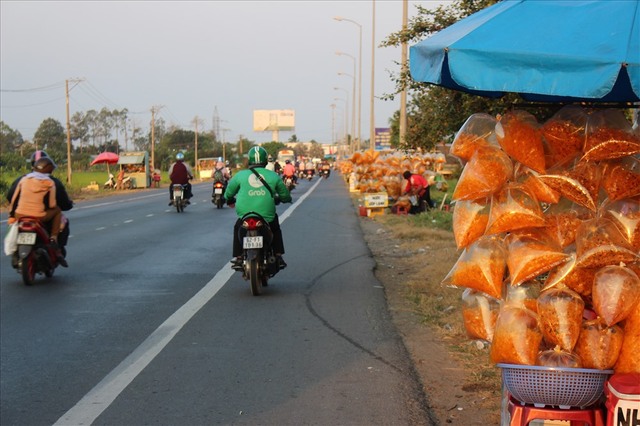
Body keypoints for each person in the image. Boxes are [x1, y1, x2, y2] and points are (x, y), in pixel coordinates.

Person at [224, 146, 292, 269]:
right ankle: (278, 255)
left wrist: (229, 200)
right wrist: (285, 199)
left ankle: (238, 257)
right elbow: (285, 195)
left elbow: (228, 193)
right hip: (267, 215)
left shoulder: (240, 175)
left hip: (245, 214)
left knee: (237, 227)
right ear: (266, 160)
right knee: (275, 228)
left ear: (249, 160)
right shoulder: (273, 176)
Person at [6, 150, 73, 259]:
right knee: (58, 213)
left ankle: (16, 250)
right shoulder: (52, 182)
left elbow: (11, 197)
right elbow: (57, 204)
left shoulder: (23, 179)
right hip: (41, 216)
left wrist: (12, 215)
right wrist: (67, 205)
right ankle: (56, 244)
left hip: (20, 214)